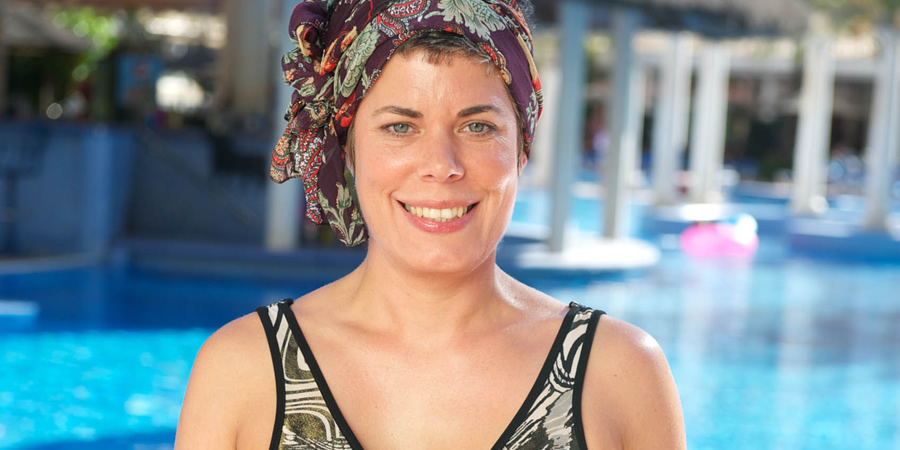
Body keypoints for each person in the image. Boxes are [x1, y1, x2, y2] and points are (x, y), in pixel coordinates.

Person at [175, 1, 685, 448]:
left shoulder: (618, 374)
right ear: (348, 151)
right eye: (400, 126)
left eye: (478, 126)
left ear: (521, 148)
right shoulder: (243, 372)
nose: (441, 165)